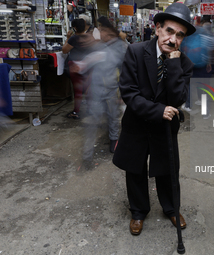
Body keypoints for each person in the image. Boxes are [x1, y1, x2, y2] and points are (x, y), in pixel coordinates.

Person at [112, 2, 195, 236]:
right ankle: (138, 212)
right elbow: (128, 91)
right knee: (135, 169)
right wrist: (157, 110)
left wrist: (173, 63)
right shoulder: (136, 51)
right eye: (169, 31)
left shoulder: (184, 63)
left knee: (168, 169)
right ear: (158, 28)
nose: (173, 39)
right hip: (137, 123)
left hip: (165, 129)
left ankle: (171, 208)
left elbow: (178, 97)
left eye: (180, 35)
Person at [78, 17, 127, 167]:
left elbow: (125, 70)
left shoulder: (120, 46)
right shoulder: (99, 44)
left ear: (110, 31)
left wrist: (123, 93)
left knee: (112, 117)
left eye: (103, 29)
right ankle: (87, 154)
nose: (101, 32)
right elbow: (89, 61)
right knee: (93, 120)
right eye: (100, 29)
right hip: (96, 89)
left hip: (112, 89)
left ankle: (114, 141)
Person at [62, 18, 94, 119]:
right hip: (88, 64)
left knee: (78, 90)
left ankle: (76, 112)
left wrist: (67, 38)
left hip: (76, 65)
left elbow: (64, 50)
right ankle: (90, 109)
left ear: (74, 28)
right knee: (88, 88)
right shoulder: (89, 37)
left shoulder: (74, 38)